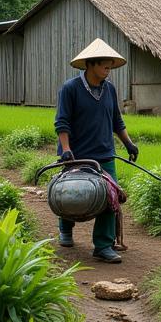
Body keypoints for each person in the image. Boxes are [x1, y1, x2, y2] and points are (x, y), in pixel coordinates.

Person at [54, 38, 139, 263]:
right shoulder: (70, 89)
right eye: (104, 66)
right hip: (76, 153)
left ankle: (103, 245)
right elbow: (62, 123)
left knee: (109, 198)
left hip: (104, 154)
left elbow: (116, 121)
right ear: (90, 65)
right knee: (71, 194)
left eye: (110, 66)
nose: (108, 70)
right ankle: (66, 227)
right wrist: (66, 150)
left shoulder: (109, 89)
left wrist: (129, 143)